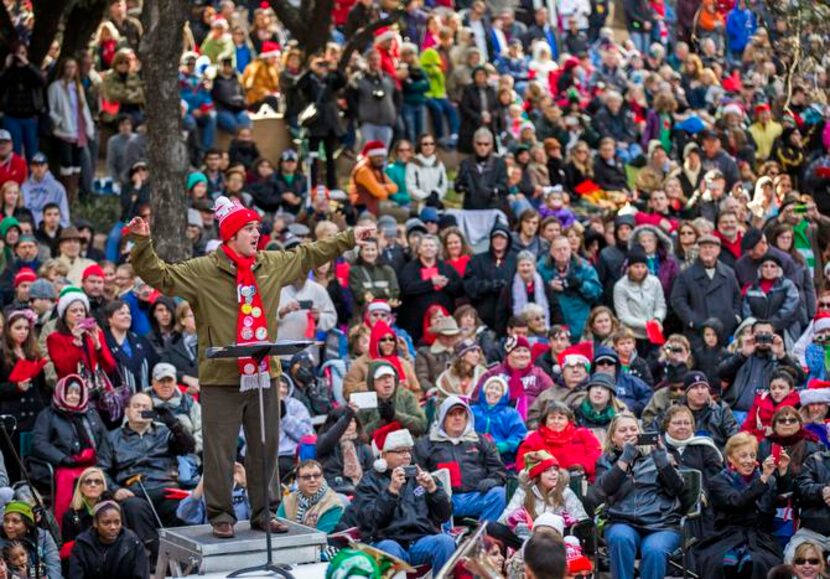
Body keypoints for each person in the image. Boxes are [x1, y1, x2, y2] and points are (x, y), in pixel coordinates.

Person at [126, 198, 374, 538]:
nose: (257, 233)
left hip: (264, 375)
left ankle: (264, 511)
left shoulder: (270, 263)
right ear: (230, 235)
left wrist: (348, 237)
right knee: (219, 449)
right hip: (221, 378)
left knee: (266, 445)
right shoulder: (202, 270)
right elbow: (160, 275)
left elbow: (308, 254)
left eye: (257, 226)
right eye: (249, 228)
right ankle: (220, 514)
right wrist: (142, 242)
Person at [595, 412, 684, 579]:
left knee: (654, 551)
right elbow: (603, 490)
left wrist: (662, 461)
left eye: (633, 429)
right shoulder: (605, 461)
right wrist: (625, 458)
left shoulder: (661, 456)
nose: (629, 433)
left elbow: (677, 489)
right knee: (620, 538)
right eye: (623, 430)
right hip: (622, 521)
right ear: (613, 438)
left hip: (661, 524)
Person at [693, 432, 784, 579]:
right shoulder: (719, 481)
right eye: (743, 456)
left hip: (759, 537)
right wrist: (763, 479)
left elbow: (779, 500)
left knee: (757, 562)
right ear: (730, 458)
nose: (749, 460)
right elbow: (736, 502)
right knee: (722, 563)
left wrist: (783, 472)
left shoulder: (767, 479)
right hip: (726, 535)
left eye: (752, 455)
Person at [98, 392, 196, 527]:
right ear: (127, 411)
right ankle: (150, 547)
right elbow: (101, 470)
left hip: (165, 487)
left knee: (182, 506)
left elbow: (189, 447)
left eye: (145, 407)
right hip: (133, 491)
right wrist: (115, 490)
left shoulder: (165, 432)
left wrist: (174, 424)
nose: (141, 410)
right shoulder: (113, 437)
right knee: (134, 508)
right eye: (136, 406)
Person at [414, 396, 508, 521]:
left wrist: (494, 480)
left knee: (498, 494)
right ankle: (446, 537)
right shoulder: (427, 442)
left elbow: (498, 469)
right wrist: (433, 488)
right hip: (444, 499)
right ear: (443, 418)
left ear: (467, 417)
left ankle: (484, 535)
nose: (457, 418)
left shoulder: (480, 440)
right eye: (452, 414)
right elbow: (417, 471)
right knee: (428, 499)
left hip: (475, 496)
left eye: (461, 413)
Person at [719, 320, 805, 418]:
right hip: (735, 412)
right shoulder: (741, 356)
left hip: (767, 415)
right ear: (752, 335)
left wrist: (782, 356)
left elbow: (801, 379)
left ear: (774, 336)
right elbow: (721, 373)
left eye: (767, 334)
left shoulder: (781, 358)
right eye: (759, 334)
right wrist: (743, 355)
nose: (763, 337)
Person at [670, 234, 743, 348]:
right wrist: (691, 320)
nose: (707, 250)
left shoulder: (729, 273)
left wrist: (735, 317)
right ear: (698, 250)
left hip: (724, 332)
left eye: (711, 247)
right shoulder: (686, 274)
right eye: (704, 247)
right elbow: (677, 300)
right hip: (698, 333)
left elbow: (737, 297)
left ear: (718, 250)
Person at [500, 450, 589, 534]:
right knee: (493, 528)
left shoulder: (565, 492)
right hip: (527, 537)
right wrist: (510, 519)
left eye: (555, 469)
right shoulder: (523, 491)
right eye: (547, 470)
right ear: (537, 475)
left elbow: (584, 523)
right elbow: (501, 522)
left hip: (557, 538)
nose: (554, 473)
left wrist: (573, 523)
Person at [397, 234, 462, 343]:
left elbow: (459, 289)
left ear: (437, 249)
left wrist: (446, 285)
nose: (428, 248)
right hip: (416, 322)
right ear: (418, 249)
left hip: (443, 320)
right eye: (425, 245)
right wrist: (430, 283)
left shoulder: (446, 268)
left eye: (432, 246)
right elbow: (406, 288)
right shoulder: (410, 268)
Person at [537, 235, 602, 341]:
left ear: (571, 250)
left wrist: (580, 284)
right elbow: (532, 289)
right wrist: (548, 287)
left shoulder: (584, 267)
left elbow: (596, 292)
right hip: (553, 325)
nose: (562, 252)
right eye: (558, 249)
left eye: (565, 249)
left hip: (580, 323)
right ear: (551, 252)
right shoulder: (541, 268)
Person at [518, 400, 602, 481]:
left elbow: (596, 455)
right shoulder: (534, 438)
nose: (556, 421)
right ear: (545, 420)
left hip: (579, 481)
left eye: (560, 418)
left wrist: (583, 466)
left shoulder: (583, 434)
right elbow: (523, 462)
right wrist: (546, 470)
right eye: (552, 418)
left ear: (569, 420)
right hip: (543, 484)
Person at [46, 285, 117, 380]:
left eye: (82, 310)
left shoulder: (95, 333)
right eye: (74, 311)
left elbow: (110, 367)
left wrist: (98, 347)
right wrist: (75, 342)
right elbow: (66, 370)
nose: (79, 313)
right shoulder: (55, 338)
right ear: (64, 315)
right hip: (74, 390)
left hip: (99, 389)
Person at [68, 500, 150, 579]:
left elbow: (141, 575)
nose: (113, 527)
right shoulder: (82, 544)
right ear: (95, 523)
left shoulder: (133, 543)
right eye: (106, 523)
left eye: (117, 522)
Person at [343, 321, 420, 399]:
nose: (388, 342)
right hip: (371, 408)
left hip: (402, 408)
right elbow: (347, 392)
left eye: (391, 339)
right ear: (375, 341)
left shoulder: (404, 364)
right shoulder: (360, 364)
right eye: (383, 340)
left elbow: (417, 391)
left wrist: (408, 403)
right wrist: (371, 384)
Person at [463, 224, 517, 332]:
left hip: (508, 317)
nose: (498, 241)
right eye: (496, 237)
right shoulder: (477, 260)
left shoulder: (515, 260)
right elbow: (469, 286)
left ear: (508, 241)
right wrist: (489, 286)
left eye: (502, 238)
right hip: (483, 317)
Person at [470, 376, 528, 466]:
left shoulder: (511, 413)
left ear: (503, 394)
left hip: (501, 455)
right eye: (490, 387)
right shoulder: (472, 410)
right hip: (473, 451)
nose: (493, 391)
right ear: (484, 391)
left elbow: (518, 433)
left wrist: (506, 445)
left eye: (498, 389)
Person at [316, 405, 373, 495]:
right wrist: (347, 416)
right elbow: (329, 439)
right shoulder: (325, 444)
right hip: (333, 491)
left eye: (352, 421)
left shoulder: (365, 448)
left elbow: (371, 476)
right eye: (346, 421)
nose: (349, 424)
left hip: (360, 492)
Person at [103, 300, 157, 393]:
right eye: (121, 313)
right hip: (116, 403)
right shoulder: (103, 342)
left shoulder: (141, 340)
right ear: (109, 319)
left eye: (128, 313)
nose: (127, 316)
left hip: (143, 401)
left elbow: (155, 364)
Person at [613, 250, 667, 343]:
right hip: (631, 334)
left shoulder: (655, 282)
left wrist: (658, 319)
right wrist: (647, 324)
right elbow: (623, 316)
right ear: (629, 267)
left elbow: (660, 305)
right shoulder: (620, 286)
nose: (640, 270)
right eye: (636, 267)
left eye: (643, 266)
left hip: (654, 332)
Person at [277, 460, 343, 533]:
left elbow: (322, 536)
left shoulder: (333, 504)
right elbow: (278, 527)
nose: (312, 480)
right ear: (297, 480)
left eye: (316, 476)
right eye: (306, 477)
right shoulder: (288, 500)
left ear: (322, 477)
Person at [0, 501, 60, 579]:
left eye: (15, 521)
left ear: (27, 524)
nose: (9, 525)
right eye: (6, 520)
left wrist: (29, 573)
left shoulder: (43, 537)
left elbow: (54, 570)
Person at [455, 128, 508, 210]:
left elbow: (504, 185)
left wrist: (493, 190)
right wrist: (462, 185)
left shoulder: (499, 164)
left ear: (491, 145)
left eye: (486, 144)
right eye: (479, 144)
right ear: (473, 144)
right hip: (471, 208)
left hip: (493, 207)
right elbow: (457, 186)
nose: (482, 147)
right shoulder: (466, 163)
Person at [741, 369, 802, 440]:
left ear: (791, 390)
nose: (777, 391)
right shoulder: (759, 402)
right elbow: (747, 427)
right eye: (773, 388)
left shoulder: (798, 405)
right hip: (759, 442)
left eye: (781, 388)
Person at [348, 238, 400, 308]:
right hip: (365, 314)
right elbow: (359, 296)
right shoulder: (355, 271)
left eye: (373, 249)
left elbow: (395, 293)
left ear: (377, 251)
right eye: (367, 249)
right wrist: (384, 291)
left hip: (384, 312)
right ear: (360, 252)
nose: (370, 253)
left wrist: (370, 293)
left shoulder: (388, 270)